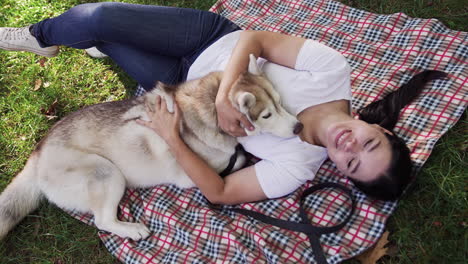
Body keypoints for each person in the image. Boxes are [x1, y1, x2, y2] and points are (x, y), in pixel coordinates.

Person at [0, 2, 427, 204]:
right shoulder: (333, 72)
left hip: (180, 92)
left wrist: (173, 137)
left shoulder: (297, 167)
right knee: (96, 19)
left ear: (340, 171)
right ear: (382, 129)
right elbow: (254, 39)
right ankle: (40, 37)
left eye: (351, 164)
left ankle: (103, 45)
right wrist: (225, 96)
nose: (350, 148)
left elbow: (219, 192)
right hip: (208, 39)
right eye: (370, 145)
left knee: (105, 37)